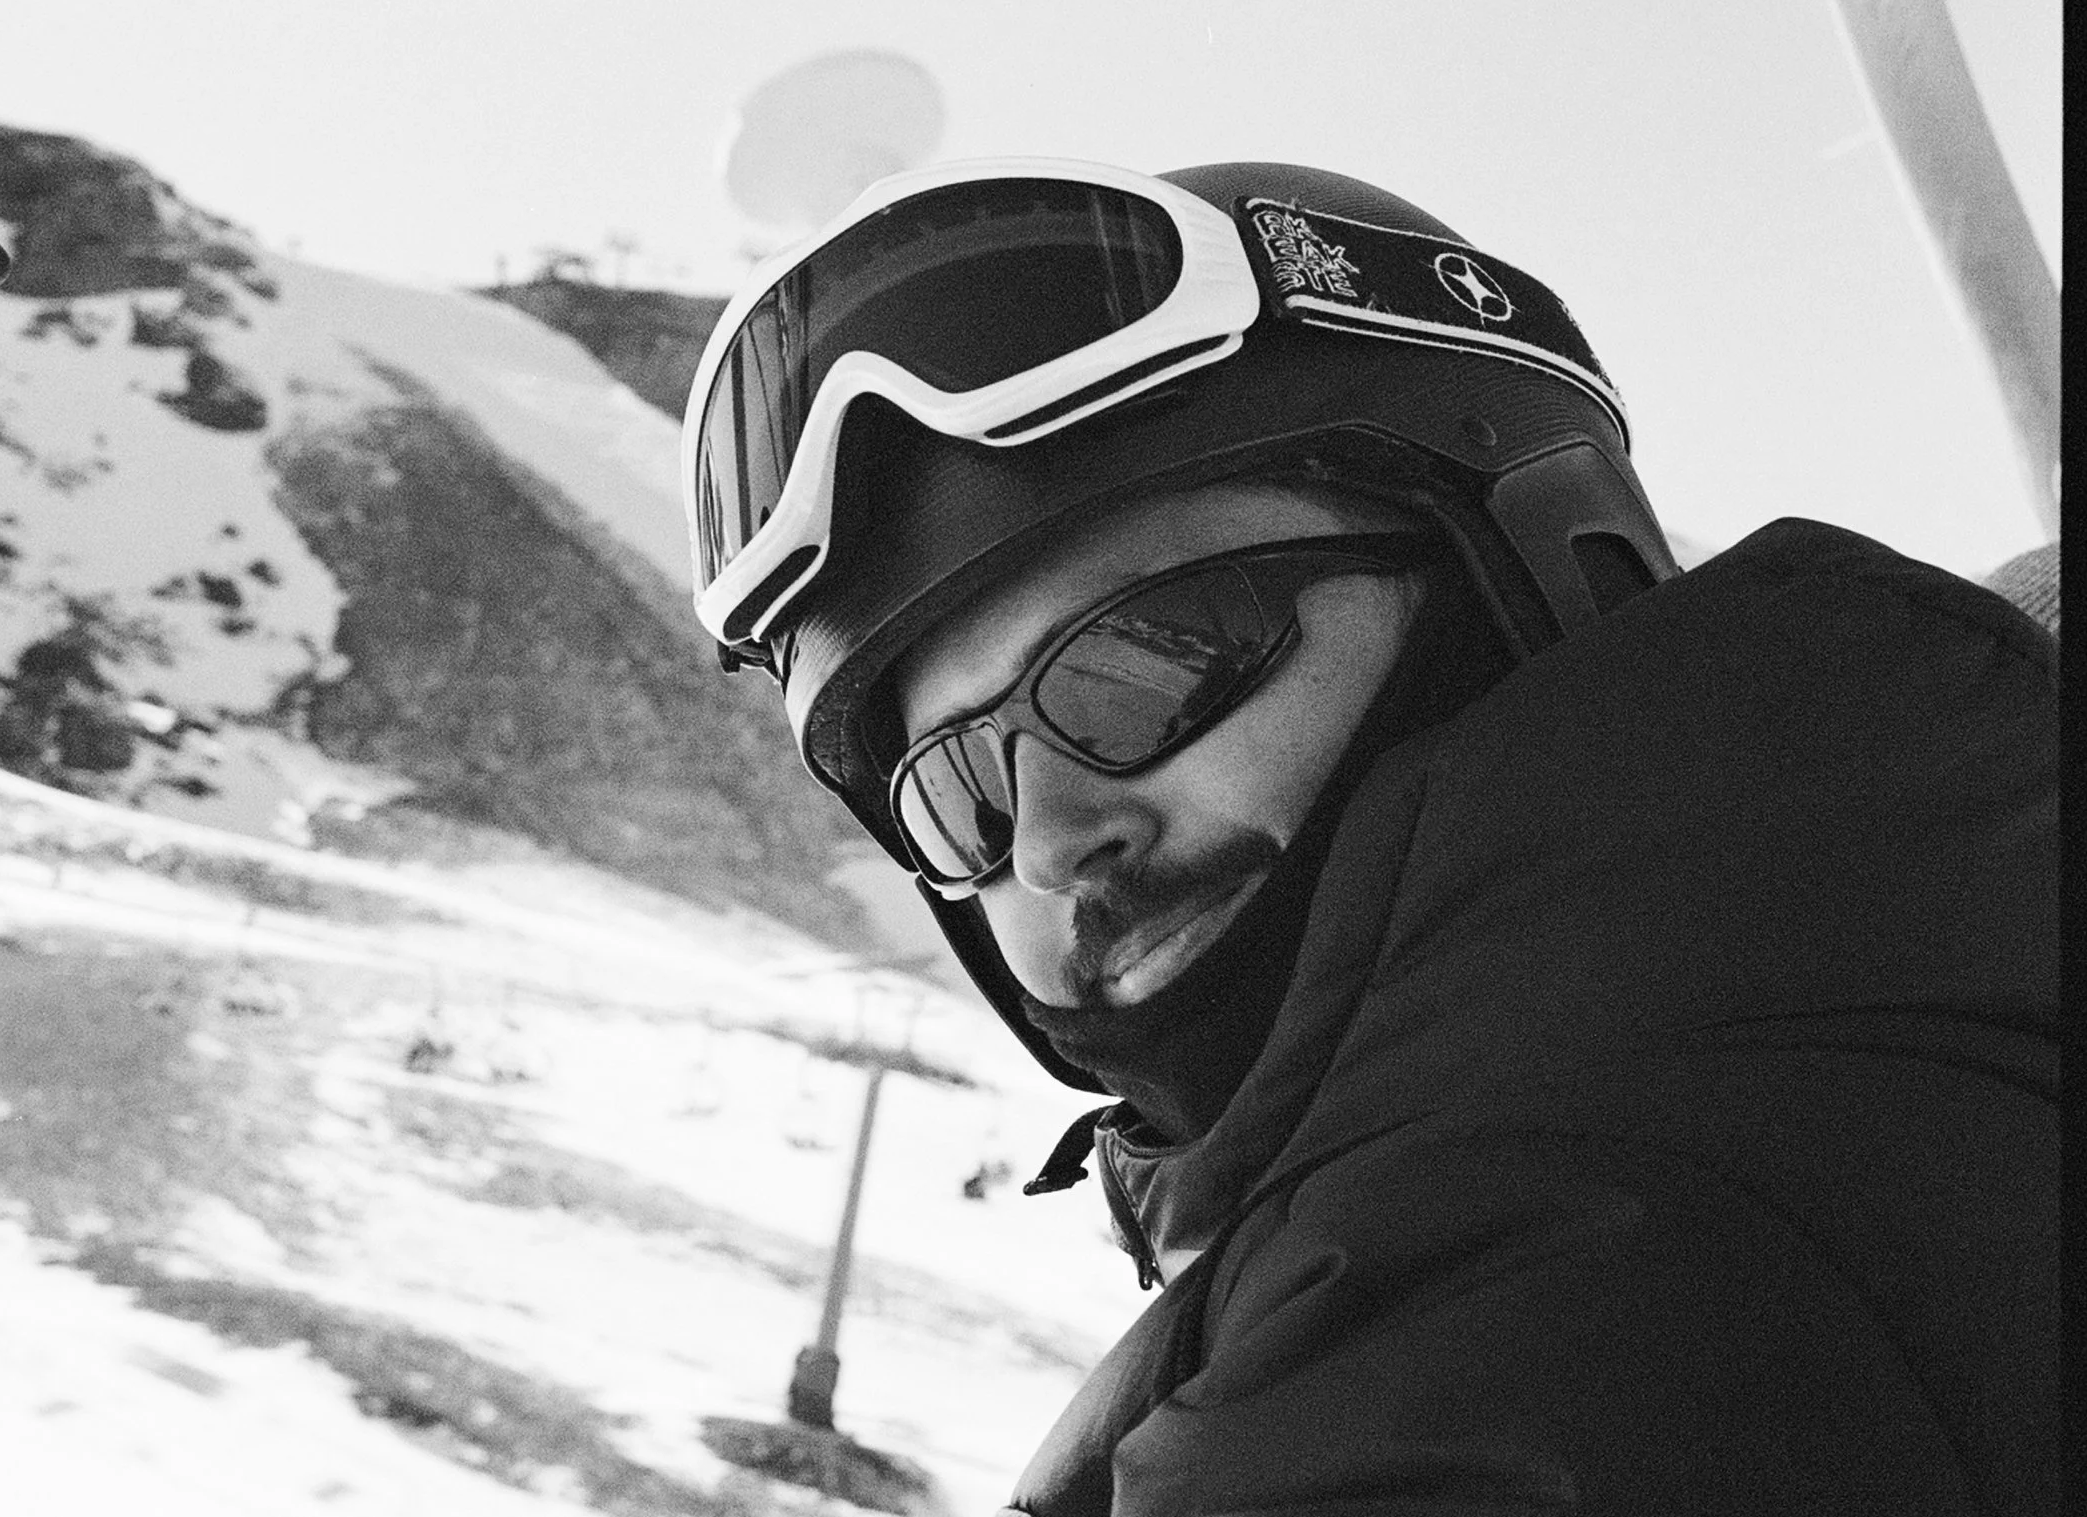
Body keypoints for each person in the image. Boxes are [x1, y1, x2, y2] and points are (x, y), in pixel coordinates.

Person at [678, 157, 2057, 1514]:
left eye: (1148, 661)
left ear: (1531, 571)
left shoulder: (1524, 1290)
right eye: (956, 789)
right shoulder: (1896, 993)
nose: (1048, 843)